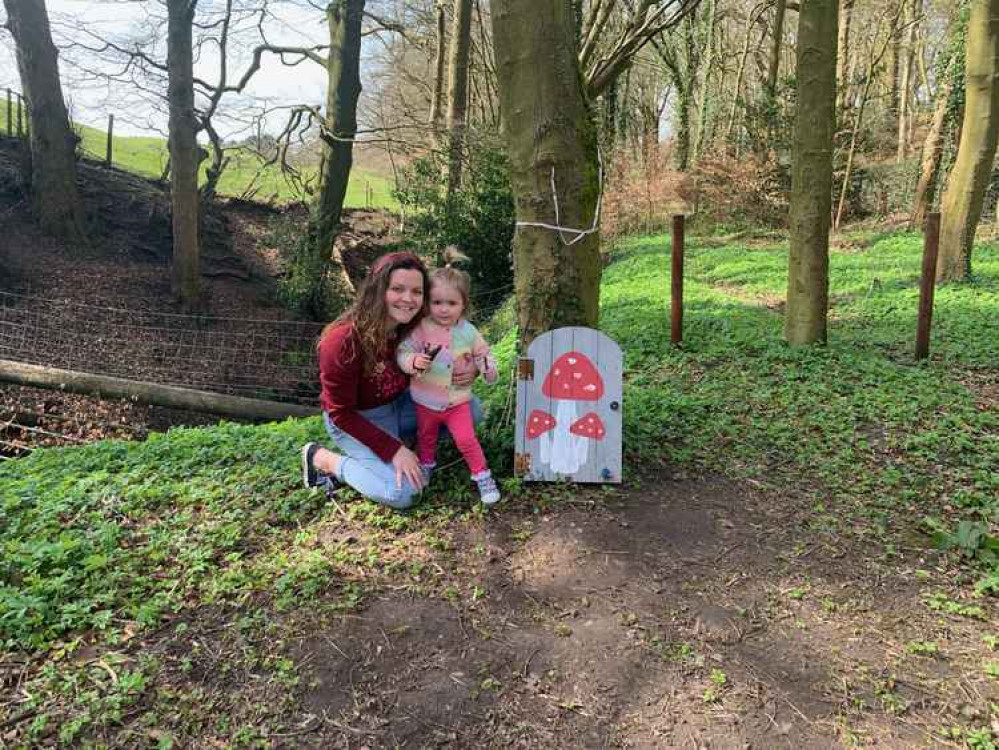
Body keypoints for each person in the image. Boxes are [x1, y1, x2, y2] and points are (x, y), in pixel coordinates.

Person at [300, 251, 478, 510]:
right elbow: (341, 413)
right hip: (356, 419)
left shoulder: (413, 327)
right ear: (378, 289)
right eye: (397, 289)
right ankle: (323, 459)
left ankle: (407, 443)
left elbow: (457, 346)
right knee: (403, 493)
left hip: (401, 404)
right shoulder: (341, 341)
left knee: (472, 410)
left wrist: (470, 367)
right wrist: (392, 450)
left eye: (417, 292)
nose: (408, 299)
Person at [397, 266, 501, 505]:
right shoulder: (421, 328)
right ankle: (426, 466)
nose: (444, 309)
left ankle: (482, 475)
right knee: (426, 437)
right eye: (437, 302)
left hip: (457, 402)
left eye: (452, 303)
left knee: (466, 439)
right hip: (424, 401)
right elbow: (403, 351)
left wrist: (486, 368)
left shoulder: (469, 332)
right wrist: (412, 361)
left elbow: (484, 354)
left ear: (463, 304)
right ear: (427, 303)